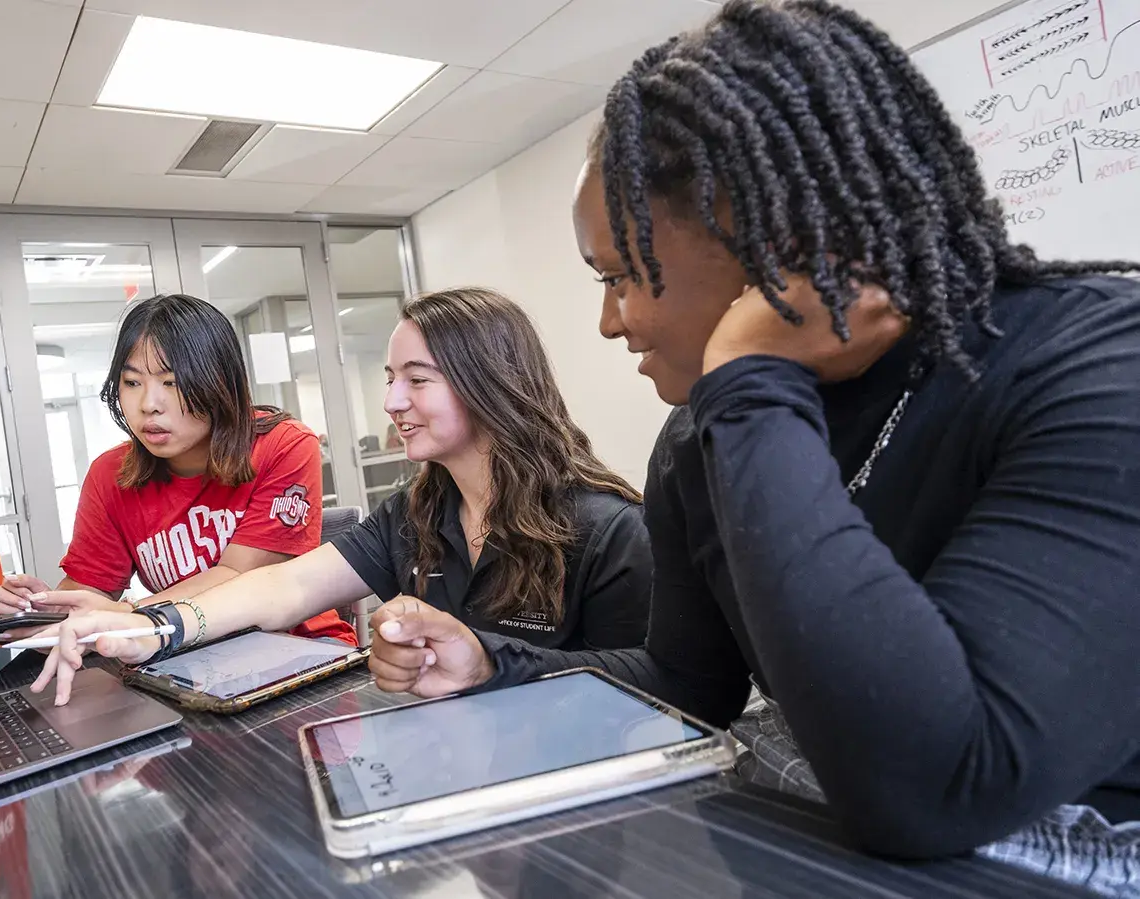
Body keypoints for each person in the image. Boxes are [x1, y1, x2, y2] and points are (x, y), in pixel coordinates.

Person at [360, 0, 1140, 868]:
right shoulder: (703, 433)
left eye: (621, 276)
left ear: (783, 251)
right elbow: (693, 684)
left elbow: (940, 784)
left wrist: (745, 372)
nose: (610, 323)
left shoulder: (1098, 368)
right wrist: (491, 663)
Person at [28, 287, 651, 702]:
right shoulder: (415, 515)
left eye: (416, 380)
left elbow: (677, 686)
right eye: (389, 380)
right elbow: (286, 586)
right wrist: (158, 628)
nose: (391, 402)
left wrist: (490, 659)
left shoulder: (609, 529)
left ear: (490, 385)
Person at [0, 293, 353, 644]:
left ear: (219, 383)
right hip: (187, 659)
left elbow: (240, 576)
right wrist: (41, 610)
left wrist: (125, 617)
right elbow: (90, 589)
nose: (149, 404)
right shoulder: (110, 475)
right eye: (132, 383)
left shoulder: (284, 445)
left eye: (171, 383)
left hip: (300, 649)